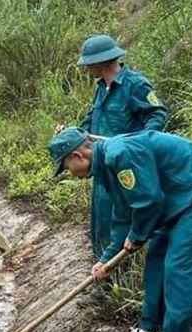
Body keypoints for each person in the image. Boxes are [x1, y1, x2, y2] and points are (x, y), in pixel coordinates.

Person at [48, 127, 192, 332]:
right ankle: (148, 331)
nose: (70, 173)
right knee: (155, 261)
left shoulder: (120, 154)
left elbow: (148, 202)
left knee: (178, 268)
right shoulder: (106, 167)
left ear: (79, 156)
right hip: (176, 199)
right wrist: (106, 260)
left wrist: (136, 237)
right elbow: (124, 216)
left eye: (66, 167)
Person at [65, 34, 168, 306]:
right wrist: (74, 134)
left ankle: (118, 281)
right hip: (100, 165)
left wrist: (139, 146)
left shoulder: (135, 85)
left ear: (100, 62)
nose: (85, 69)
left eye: (87, 64)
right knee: (99, 222)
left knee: (118, 222)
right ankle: (104, 279)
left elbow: (157, 116)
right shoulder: (101, 88)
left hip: (125, 168)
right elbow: (90, 123)